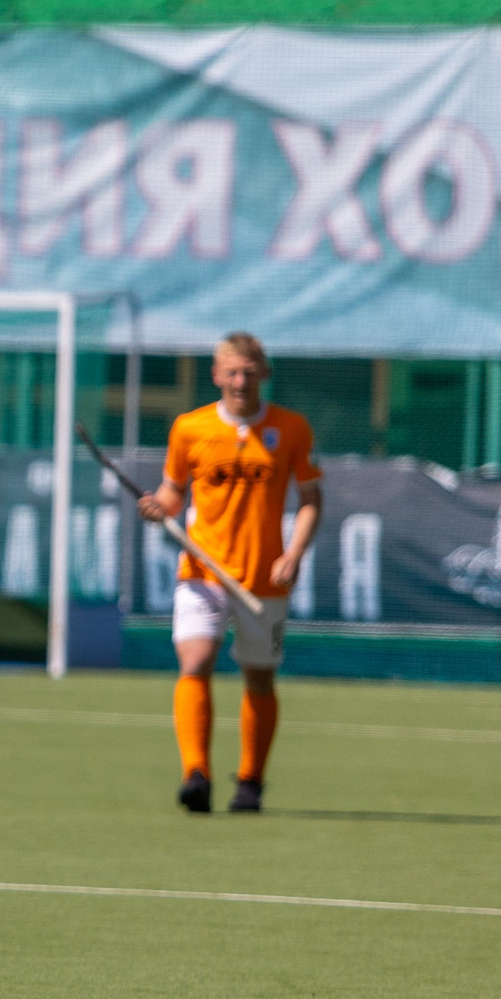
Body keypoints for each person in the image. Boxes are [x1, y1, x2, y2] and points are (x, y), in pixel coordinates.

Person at [138, 332, 322, 815]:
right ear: (216, 376)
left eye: (249, 371)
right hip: (202, 571)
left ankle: (251, 781)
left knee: (259, 680)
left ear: (264, 374)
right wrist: (161, 508)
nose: (240, 382)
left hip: (264, 578)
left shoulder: (290, 428)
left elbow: (310, 500)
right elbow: (174, 492)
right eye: (231, 372)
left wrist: (294, 553)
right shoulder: (190, 428)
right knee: (194, 663)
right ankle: (195, 773)